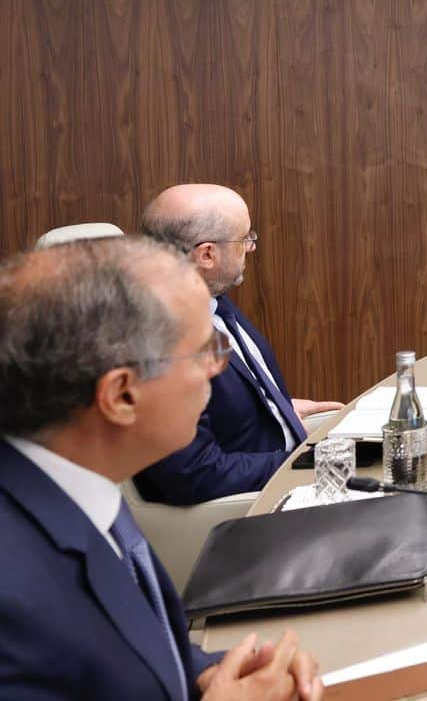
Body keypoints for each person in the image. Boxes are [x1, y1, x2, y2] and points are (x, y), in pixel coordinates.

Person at [0, 236, 323, 700]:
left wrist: (208, 673)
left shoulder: (81, 483)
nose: (219, 367)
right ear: (122, 395)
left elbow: (125, 647)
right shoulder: (13, 596)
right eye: (204, 350)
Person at [134, 185, 341, 505]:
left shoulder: (206, 294)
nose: (251, 247)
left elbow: (217, 399)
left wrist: (275, 408)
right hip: (253, 509)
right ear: (207, 255)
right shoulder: (156, 342)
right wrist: (316, 461)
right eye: (244, 239)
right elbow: (197, 474)